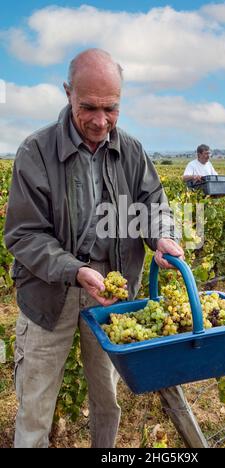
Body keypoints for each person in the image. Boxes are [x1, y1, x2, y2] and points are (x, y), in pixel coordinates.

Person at [4, 48, 184, 448]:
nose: (101, 121)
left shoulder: (132, 151)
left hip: (110, 299)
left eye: (111, 109)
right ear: (68, 93)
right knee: (34, 406)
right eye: (89, 107)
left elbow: (155, 206)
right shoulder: (36, 152)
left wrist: (163, 235)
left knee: (107, 398)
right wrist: (74, 270)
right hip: (49, 296)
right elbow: (24, 234)